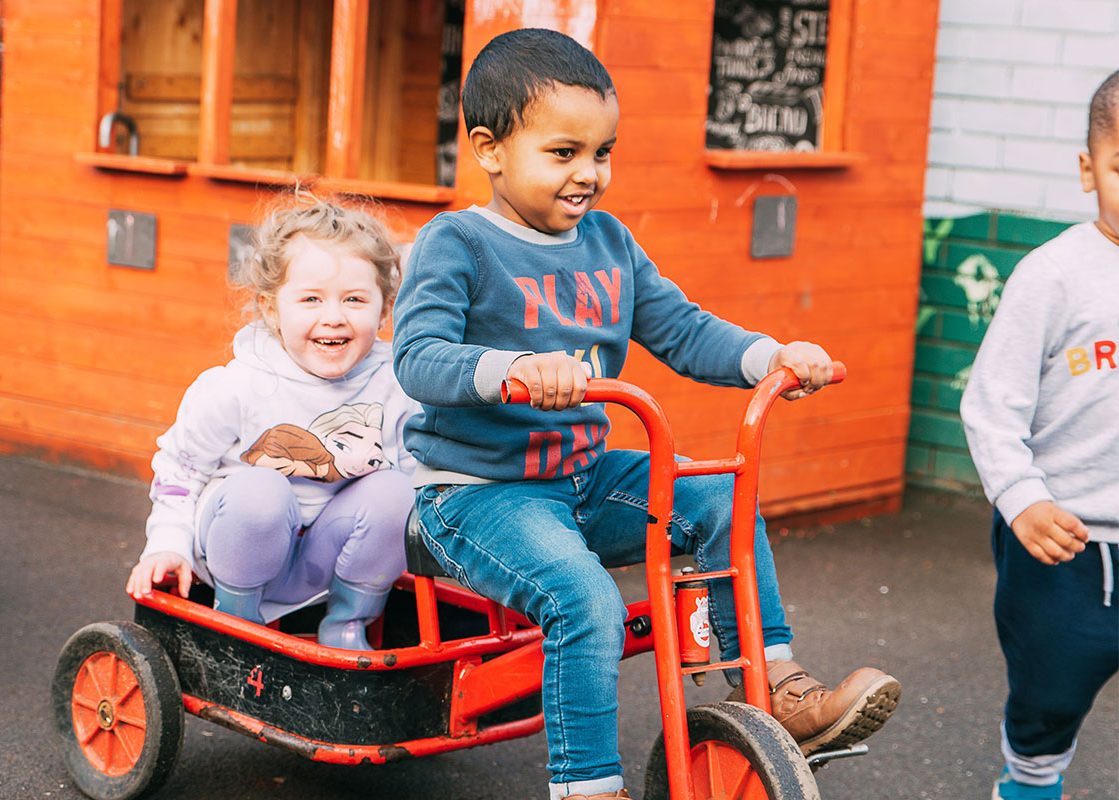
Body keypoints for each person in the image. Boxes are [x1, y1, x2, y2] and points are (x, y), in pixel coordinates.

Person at [392, 28, 900, 800]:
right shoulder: (457, 242)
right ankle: (589, 787)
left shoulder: (609, 242)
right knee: (583, 597)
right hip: (474, 493)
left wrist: (772, 357)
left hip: (584, 479)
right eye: (563, 153)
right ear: (489, 149)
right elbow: (417, 356)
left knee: (722, 498)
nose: (589, 174)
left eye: (602, 153)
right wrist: (512, 370)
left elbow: (682, 328)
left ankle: (778, 691)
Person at [126, 199, 419, 650]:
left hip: (328, 558)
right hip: (237, 550)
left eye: (355, 300)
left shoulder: (395, 384)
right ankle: (238, 624)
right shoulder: (237, 386)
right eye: (311, 299)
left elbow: (419, 469)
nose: (335, 316)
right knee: (262, 489)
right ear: (269, 308)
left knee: (399, 490)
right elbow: (181, 470)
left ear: (383, 312)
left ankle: (346, 625)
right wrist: (167, 544)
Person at [961, 70, 1119, 800]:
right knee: (1050, 695)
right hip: (1064, 540)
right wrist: (1021, 499)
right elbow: (991, 407)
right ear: (1089, 170)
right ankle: (1027, 783)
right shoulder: (1053, 275)